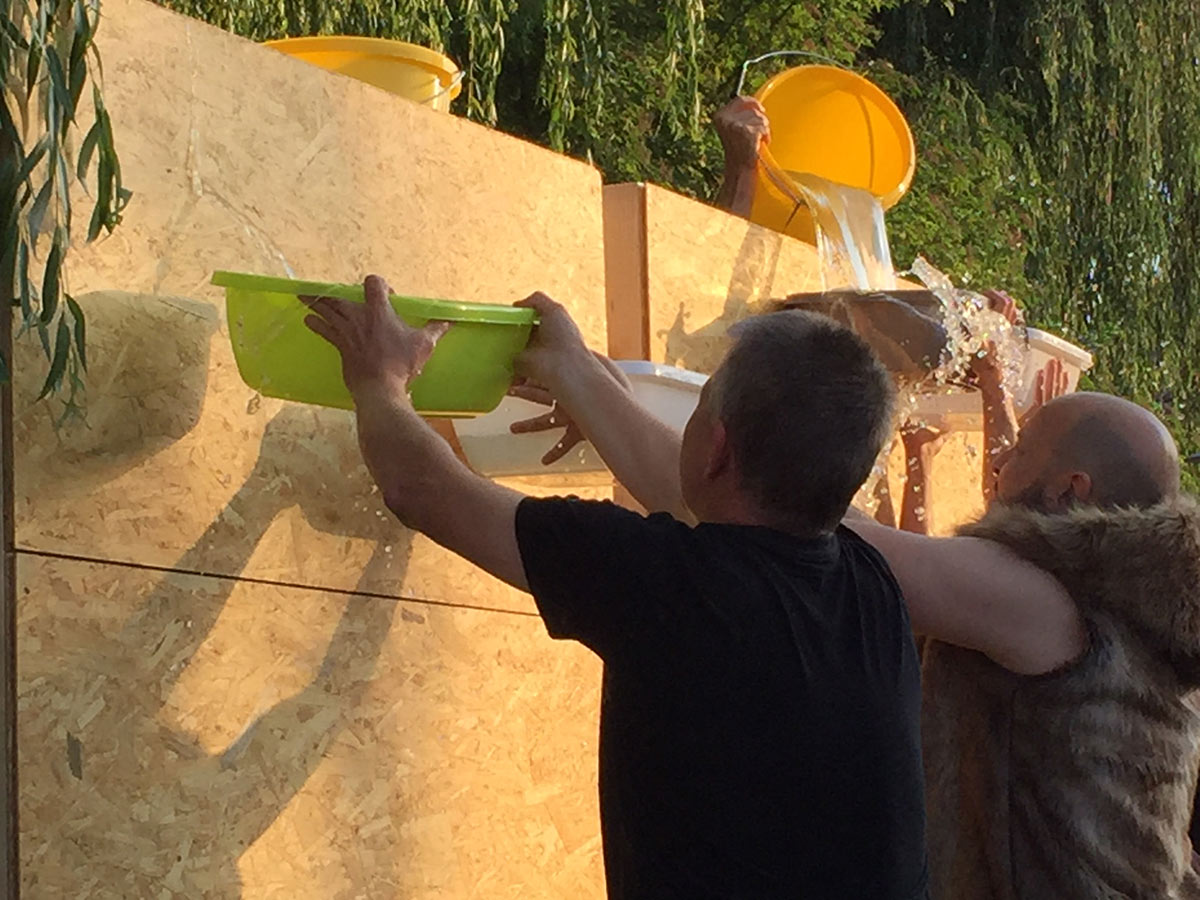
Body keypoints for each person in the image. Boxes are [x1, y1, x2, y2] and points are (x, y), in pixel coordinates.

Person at [512, 297, 1200, 898]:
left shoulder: (1050, 607)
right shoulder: (1132, 620)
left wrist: (582, 380)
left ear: (1070, 492)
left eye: (1019, 452)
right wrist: (610, 400)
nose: (997, 459)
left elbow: (770, 516)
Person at [303, 275, 931, 899]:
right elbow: (714, 510)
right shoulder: (873, 588)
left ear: (715, 449)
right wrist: (582, 382)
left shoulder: (671, 584)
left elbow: (420, 488)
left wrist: (379, 378)